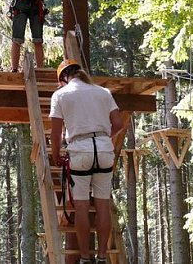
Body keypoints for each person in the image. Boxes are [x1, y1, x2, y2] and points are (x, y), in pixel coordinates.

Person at [49, 59, 124, 264]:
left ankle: (84, 258)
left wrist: (56, 155)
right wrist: (102, 139)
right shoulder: (103, 92)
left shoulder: (60, 95)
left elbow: (56, 132)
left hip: (79, 150)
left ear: (63, 78)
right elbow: (118, 123)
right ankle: (101, 257)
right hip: (104, 150)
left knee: (81, 206)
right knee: (102, 205)